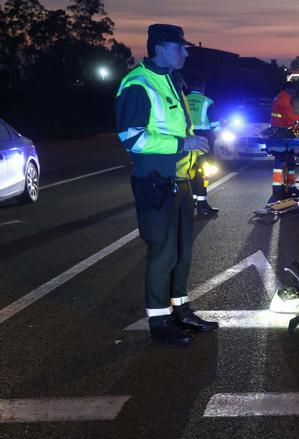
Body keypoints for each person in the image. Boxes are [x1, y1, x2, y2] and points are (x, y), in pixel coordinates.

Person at [115, 24, 218, 346]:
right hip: (155, 182)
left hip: (181, 180)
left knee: (182, 253)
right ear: (160, 48)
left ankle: (182, 311)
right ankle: (159, 323)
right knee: (163, 253)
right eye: (180, 47)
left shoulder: (173, 81)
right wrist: (182, 144)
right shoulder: (138, 83)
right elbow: (131, 138)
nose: (186, 52)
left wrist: (193, 144)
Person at [185, 77, 219, 215]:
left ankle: (192, 200)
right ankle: (202, 204)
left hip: (186, 140)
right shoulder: (208, 102)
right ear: (202, 86)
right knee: (205, 172)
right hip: (203, 141)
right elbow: (215, 124)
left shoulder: (183, 99)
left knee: (190, 171)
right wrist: (215, 138)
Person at [267, 81, 299, 204]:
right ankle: (280, 190)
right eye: (293, 91)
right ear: (289, 89)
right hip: (282, 135)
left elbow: (287, 118)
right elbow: (290, 118)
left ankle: (286, 188)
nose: (294, 94)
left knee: (287, 162)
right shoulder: (284, 100)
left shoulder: (280, 98)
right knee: (282, 163)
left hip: (279, 134)